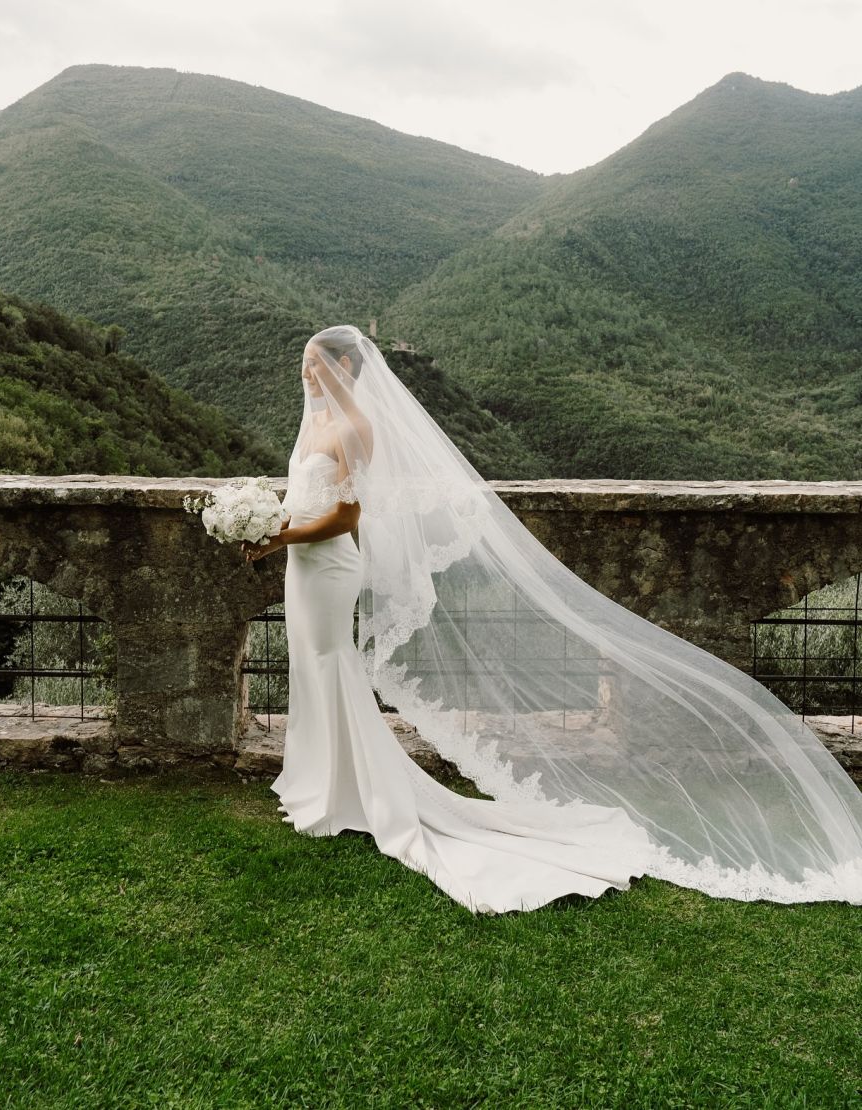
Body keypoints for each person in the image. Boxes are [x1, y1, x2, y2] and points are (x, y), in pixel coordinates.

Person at [242, 324, 862, 913]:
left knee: (331, 662)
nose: (309, 376)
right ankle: (319, 779)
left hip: (327, 564)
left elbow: (348, 518)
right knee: (312, 662)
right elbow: (306, 495)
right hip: (303, 562)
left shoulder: (356, 426)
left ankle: (351, 794)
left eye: (317, 365)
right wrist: (267, 522)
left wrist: (277, 536)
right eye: (304, 367)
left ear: (346, 367)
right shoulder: (317, 421)